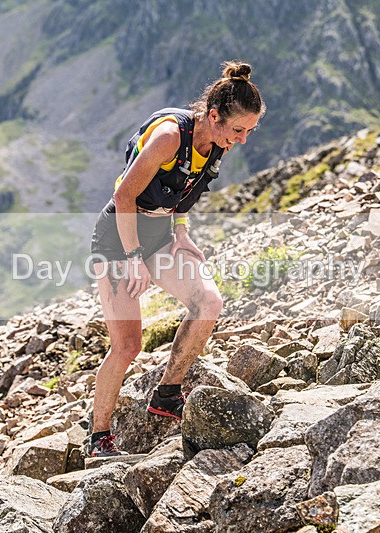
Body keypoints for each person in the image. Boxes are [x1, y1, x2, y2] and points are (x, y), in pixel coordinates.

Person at [88, 61, 265, 457]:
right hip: (119, 238)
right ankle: (99, 440)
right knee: (127, 346)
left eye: (249, 132)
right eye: (239, 130)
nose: (242, 140)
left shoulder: (217, 142)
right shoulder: (169, 137)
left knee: (209, 302)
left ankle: (167, 393)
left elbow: (186, 190)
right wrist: (133, 257)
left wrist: (181, 231)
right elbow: (124, 195)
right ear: (214, 116)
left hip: (159, 235)